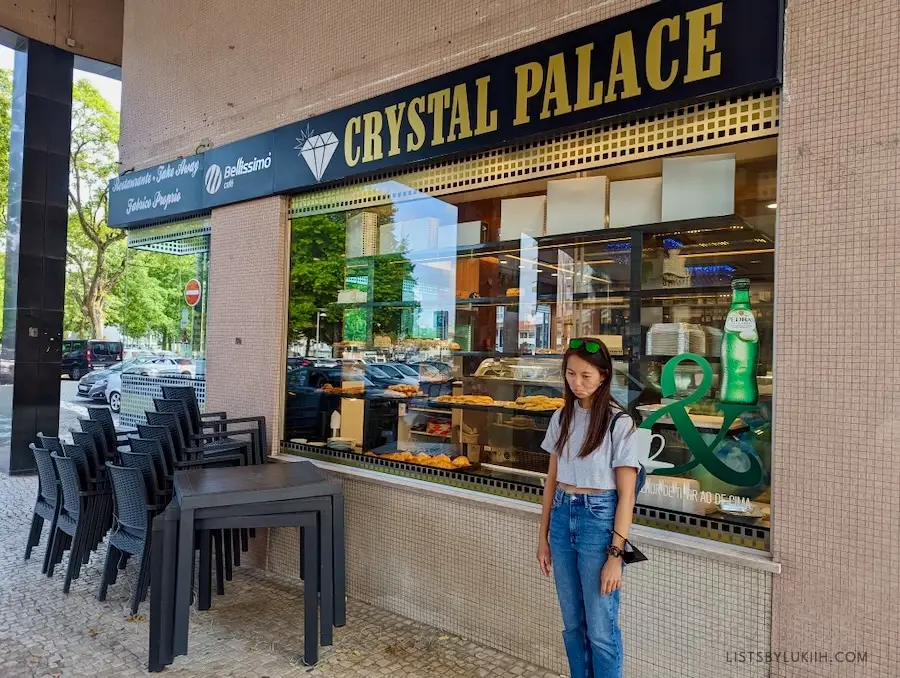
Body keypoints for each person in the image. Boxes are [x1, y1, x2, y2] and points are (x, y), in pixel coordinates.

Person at [537, 338, 640, 678]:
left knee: (600, 629)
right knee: (572, 625)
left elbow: (626, 497)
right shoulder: (561, 417)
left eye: (586, 375)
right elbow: (551, 480)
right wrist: (543, 538)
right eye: (570, 374)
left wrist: (615, 555)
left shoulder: (618, 423)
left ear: (603, 376)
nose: (576, 383)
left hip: (599, 521)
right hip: (563, 515)